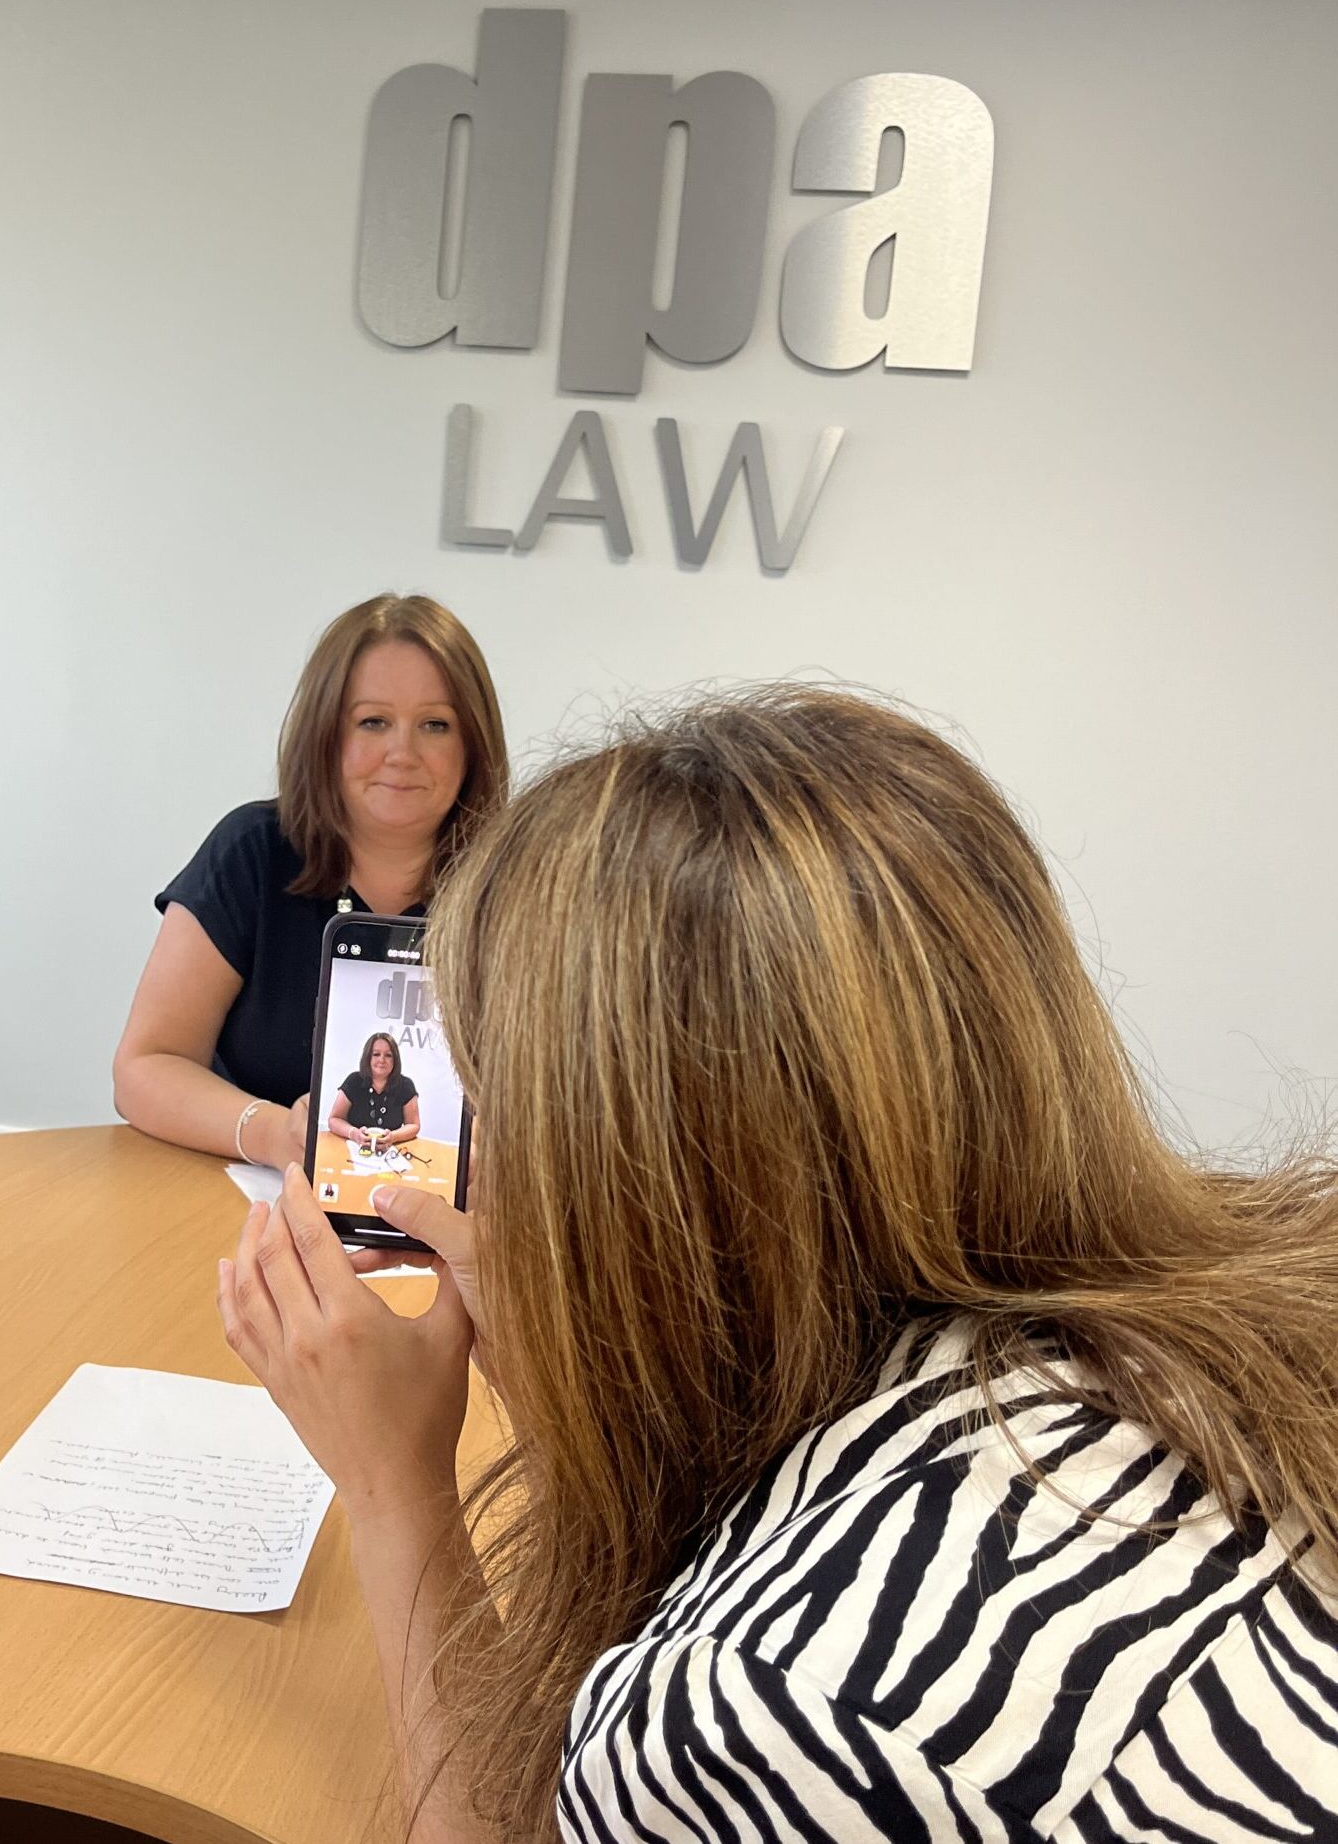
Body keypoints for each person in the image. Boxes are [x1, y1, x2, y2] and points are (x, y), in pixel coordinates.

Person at [216, 686, 1338, 1843]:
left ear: (634, 1176)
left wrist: (396, 1484)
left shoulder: (761, 1708)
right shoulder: (1199, 1353)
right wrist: (568, 1379)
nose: (471, 1170)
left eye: (492, 1105)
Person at [114, 595, 506, 1172]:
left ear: (472, 744)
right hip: (245, 1205)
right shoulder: (254, 850)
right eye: (373, 721)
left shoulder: (519, 884)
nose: (403, 753)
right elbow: (145, 1066)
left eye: (436, 725)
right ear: (325, 734)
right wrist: (276, 1135)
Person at [328, 1032, 420, 1151]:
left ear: (395, 1059)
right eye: (376, 1054)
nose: (382, 1059)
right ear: (368, 1057)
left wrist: (393, 1137)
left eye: (388, 1055)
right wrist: (353, 1133)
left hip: (390, 1152)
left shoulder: (406, 1085)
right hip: (352, 1149)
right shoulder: (354, 1081)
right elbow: (334, 1119)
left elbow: (413, 1125)